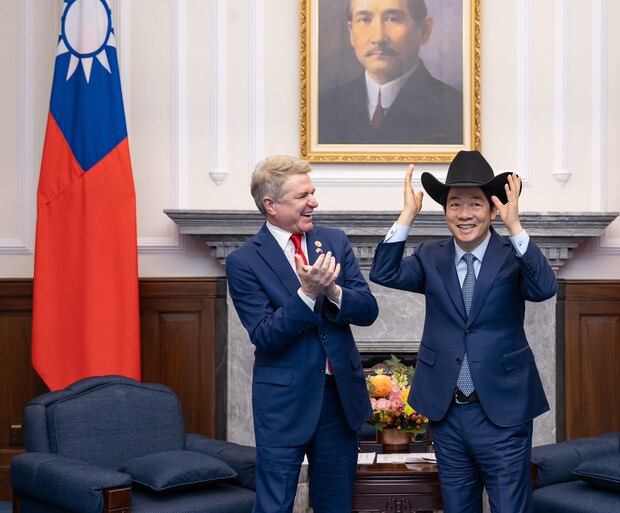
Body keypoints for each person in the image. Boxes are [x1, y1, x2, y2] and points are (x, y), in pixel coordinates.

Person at [369, 150, 557, 513]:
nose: (464, 214)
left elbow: (544, 288)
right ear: (445, 211)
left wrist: (515, 226)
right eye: (455, 204)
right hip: (447, 412)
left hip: (503, 409)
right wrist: (407, 214)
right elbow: (384, 273)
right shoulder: (430, 255)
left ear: (491, 210)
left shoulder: (511, 253)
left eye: (475, 204)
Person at [226, 155, 378, 513]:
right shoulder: (244, 261)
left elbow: (368, 311)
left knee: (336, 505)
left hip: (338, 400)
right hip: (284, 404)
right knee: (275, 505)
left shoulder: (334, 241)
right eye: (302, 196)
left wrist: (334, 292)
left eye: (313, 192)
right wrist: (307, 294)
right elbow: (265, 334)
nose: (314, 202)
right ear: (271, 205)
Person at [318, 0, 462, 145]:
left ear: (424, 30)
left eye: (393, 19)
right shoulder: (324, 108)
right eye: (364, 20)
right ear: (351, 32)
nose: (378, 38)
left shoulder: (455, 110)